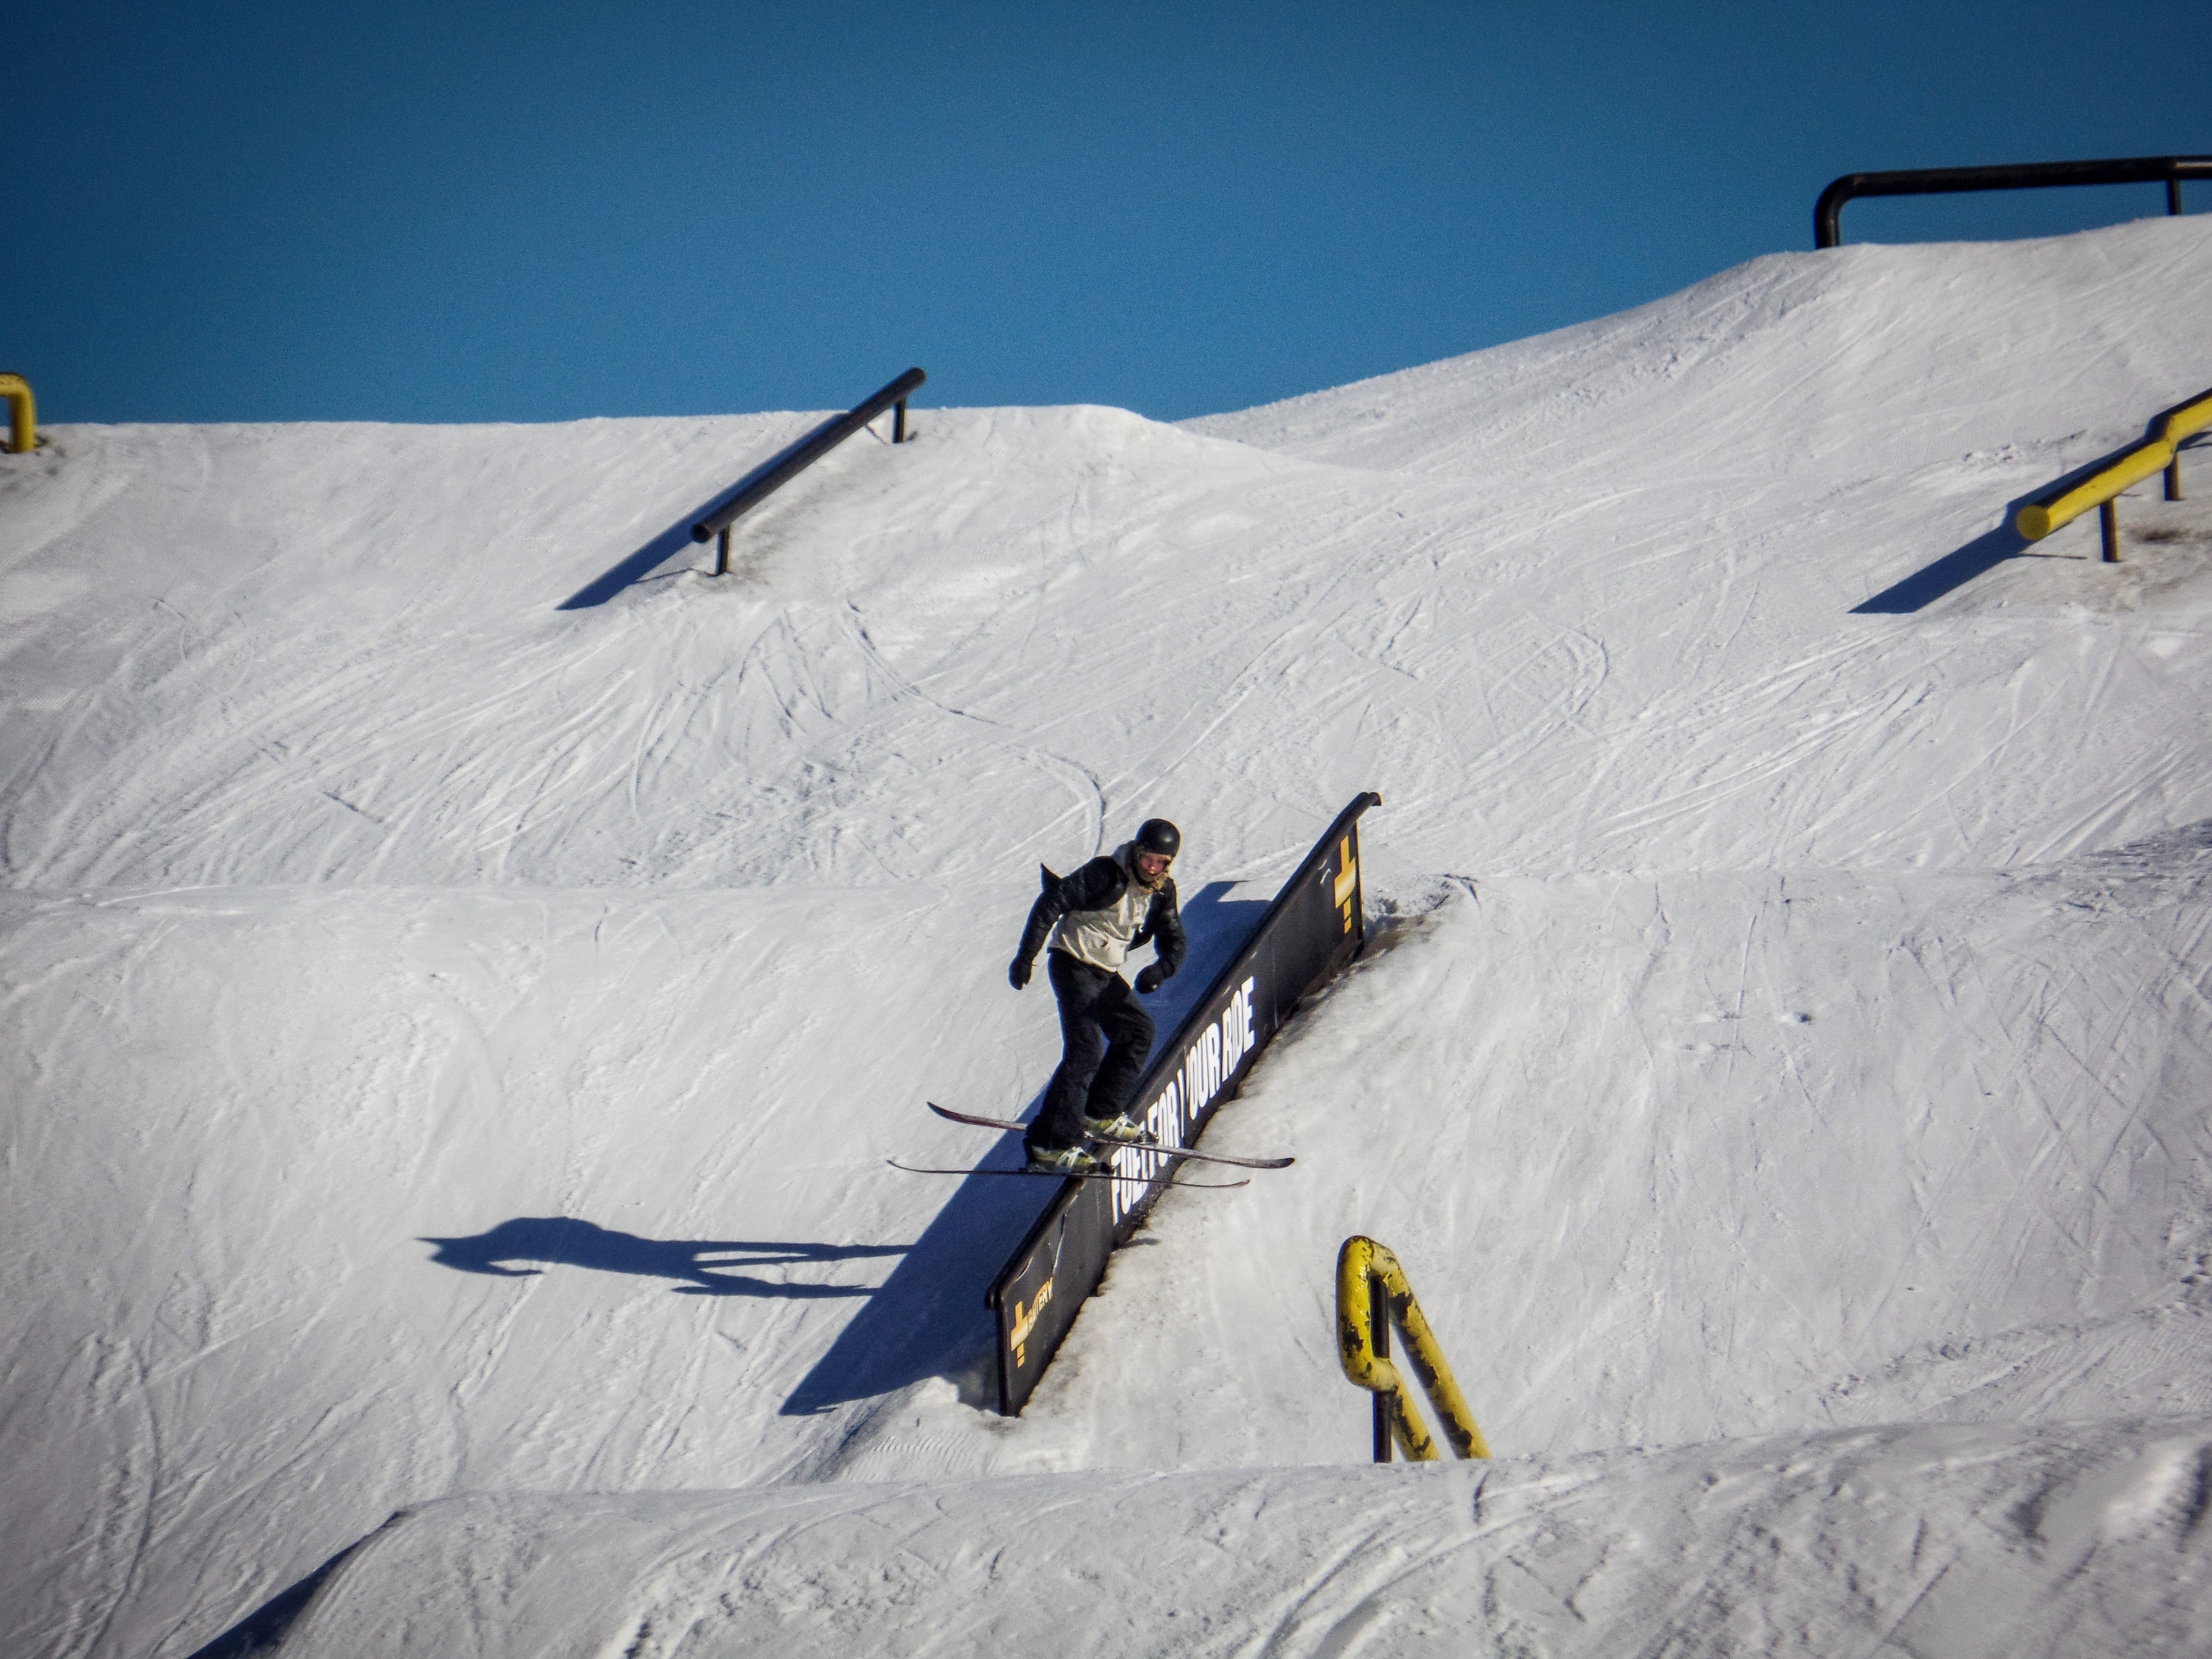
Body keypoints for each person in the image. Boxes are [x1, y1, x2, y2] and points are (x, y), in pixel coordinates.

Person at [1008, 818, 1187, 1173]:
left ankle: (1099, 1113)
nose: (1152, 868)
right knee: (1085, 1050)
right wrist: (1026, 956)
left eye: (1161, 862)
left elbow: (1174, 938)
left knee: (1139, 1033)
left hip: (1102, 971)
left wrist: (1161, 970)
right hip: (1073, 962)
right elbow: (1052, 902)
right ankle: (1050, 1144)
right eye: (1147, 858)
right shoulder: (1106, 874)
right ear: (1136, 852)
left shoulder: (1161, 891)